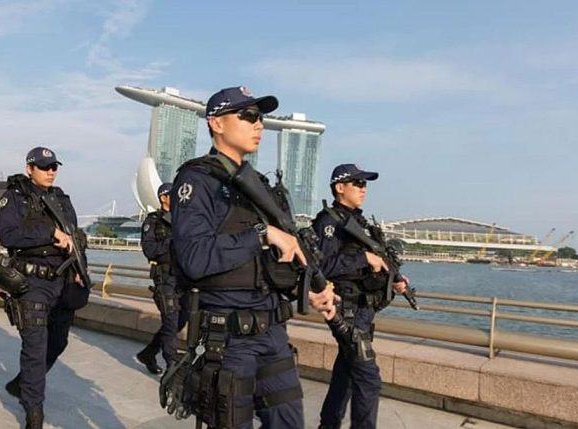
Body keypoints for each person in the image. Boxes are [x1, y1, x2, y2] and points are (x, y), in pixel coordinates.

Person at [166, 86, 336, 429]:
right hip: (228, 339)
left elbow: (278, 259)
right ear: (216, 123)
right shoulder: (198, 180)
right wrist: (261, 234)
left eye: (261, 118)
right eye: (248, 116)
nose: (259, 125)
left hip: (273, 332)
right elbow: (193, 258)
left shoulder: (261, 187)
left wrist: (311, 287)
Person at [0, 147, 91, 429]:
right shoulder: (13, 197)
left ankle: (22, 385)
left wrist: (78, 269)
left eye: (54, 167)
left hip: (62, 279)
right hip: (32, 282)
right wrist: (49, 233)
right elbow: (7, 235)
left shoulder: (61, 199)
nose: (51, 172)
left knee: (58, 342)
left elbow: (74, 236)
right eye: (44, 167)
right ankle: (33, 413)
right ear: (29, 168)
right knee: (35, 349)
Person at [315, 164, 410, 429]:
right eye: (357, 183)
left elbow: (372, 267)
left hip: (363, 311)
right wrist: (364, 257)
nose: (363, 189)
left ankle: (328, 425)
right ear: (339, 187)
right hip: (347, 310)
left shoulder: (360, 223)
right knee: (369, 379)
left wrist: (395, 281)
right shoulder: (329, 221)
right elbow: (323, 266)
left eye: (365, 184)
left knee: (345, 374)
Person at [135, 182, 188, 374]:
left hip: (185, 279)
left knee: (179, 321)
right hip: (165, 279)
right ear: (164, 197)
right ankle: (172, 364)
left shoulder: (185, 220)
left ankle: (148, 353)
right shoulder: (153, 221)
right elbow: (149, 250)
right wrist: (171, 242)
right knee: (171, 320)